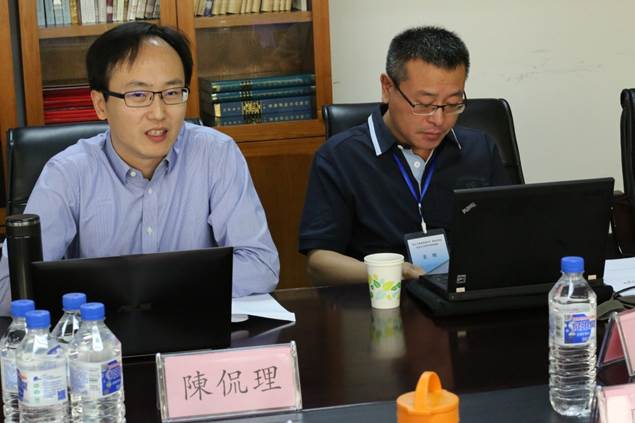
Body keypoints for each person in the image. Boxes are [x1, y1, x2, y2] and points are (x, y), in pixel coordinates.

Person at [0, 22, 280, 314]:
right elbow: (9, 290)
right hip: (99, 336)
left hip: (192, 332)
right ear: (100, 104)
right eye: (138, 95)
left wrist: (144, 287)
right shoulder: (67, 174)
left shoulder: (216, 154)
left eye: (172, 93)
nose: (158, 113)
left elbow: (261, 265)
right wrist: (169, 284)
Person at [299, 26, 510, 285]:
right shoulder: (339, 157)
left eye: (452, 104)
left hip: (465, 294)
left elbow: (510, 231)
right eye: (424, 105)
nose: (439, 120)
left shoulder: (479, 148)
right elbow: (320, 260)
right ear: (387, 87)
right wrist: (391, 272)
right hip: (381, 298)